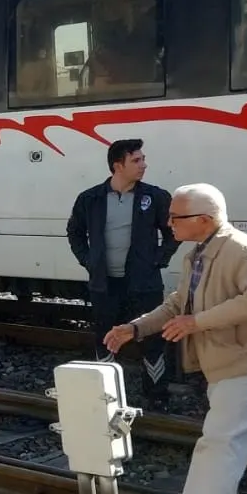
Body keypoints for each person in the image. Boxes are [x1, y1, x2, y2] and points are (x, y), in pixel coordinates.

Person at [106, 184, 247, 494]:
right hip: (231, 363)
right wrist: (136, 328)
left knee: (220, 443)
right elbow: (178, 304)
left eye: (176, 216)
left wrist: (198, 323)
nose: (168, 222)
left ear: (205, 220)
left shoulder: (243, 249)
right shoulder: (198, 254)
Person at [66, 138, 179, 403]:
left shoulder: (155, 196)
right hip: (105, 285)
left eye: (142, 159)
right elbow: (74, 232)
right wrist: (89, 260)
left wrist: (159, 260)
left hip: (144, 284)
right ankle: (104, 394)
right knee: (106, 336)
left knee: (152, 338)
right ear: (118, 166)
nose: (143, 165)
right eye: (136, 160)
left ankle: (156, 395)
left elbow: (173, 232)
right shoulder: (90, 198)